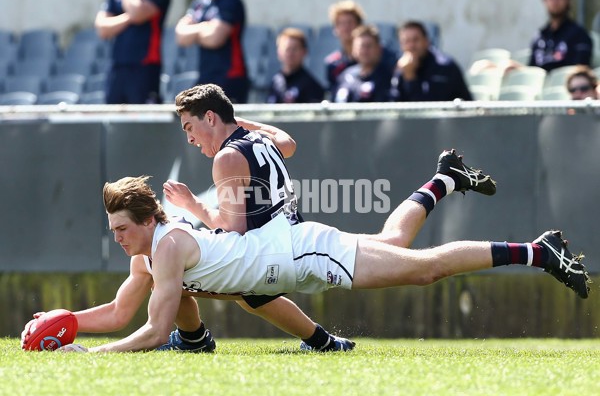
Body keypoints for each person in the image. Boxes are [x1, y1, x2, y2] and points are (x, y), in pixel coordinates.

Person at [55, 149, 590, 353]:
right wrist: (65, 323)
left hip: (306, 253)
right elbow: (123, 311)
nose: (117, 237)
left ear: (148, 220)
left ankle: (539, 252)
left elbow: (149, 328)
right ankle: (445, 179)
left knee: (424, 270)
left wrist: (92, 357)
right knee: (394, 242)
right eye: (114, 230)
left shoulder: (166, 244)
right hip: (285, 259)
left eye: (122, 228)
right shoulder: (149, 249)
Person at [161, 84, 353, 352]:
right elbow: (288, 142)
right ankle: (324, 343)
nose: (190, 138)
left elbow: (232, 230)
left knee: (165, 269)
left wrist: (191, 203)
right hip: (292, 240)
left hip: (270, 252)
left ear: (210, 117)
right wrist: (239, 123)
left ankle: (192, 339)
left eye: (189, 127)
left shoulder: (227, 157)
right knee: (252, 297)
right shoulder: (261, 140)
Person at [95, 0, 171, 104]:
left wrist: (132, 14)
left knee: (144, 116)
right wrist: (129, 17)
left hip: (145, 65)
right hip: (117, 66)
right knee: (113, 116)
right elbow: (102, 29)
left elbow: (137, 12)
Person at [174, 0, 249, 103]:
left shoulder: (230, 1)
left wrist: (195, 32)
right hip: (205, 76)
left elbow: (215, 39)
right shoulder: (199, 3)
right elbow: (181, 37)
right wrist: (205, 26)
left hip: (230, 76)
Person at [324, 0, 396, 97]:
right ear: (335, 29)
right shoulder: (333, 63)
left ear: (359, 25)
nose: (346, 27)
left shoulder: (382, 54)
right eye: (341, 23)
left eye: (350, 22)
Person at [389, 20, 472, 102]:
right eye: (406, 41)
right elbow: (394, 102)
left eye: (416, 40)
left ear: (426, 41)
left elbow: (430, 107)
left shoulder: (444, 66)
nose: (411, 46)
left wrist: (410, 77)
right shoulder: (403, 66)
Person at [529, 0, 592, 72]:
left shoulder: (579, 35)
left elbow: (581, 69)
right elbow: (531, 69)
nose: (555, 2)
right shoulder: (539, 36)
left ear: (568, 0)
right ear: (544, 2)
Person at [333, 24, 394, 103]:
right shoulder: (345, 76)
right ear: (354, 49)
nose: (365, 51)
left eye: (369, 46)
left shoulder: (388, 77)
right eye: (361, 46)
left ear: (378, 49)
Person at [266, 28, 325, 103]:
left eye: (294, 49)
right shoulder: (275, 81)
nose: (290, 54)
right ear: (279, 52)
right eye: (287, 49)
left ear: (304, 52)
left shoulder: (311, 86)